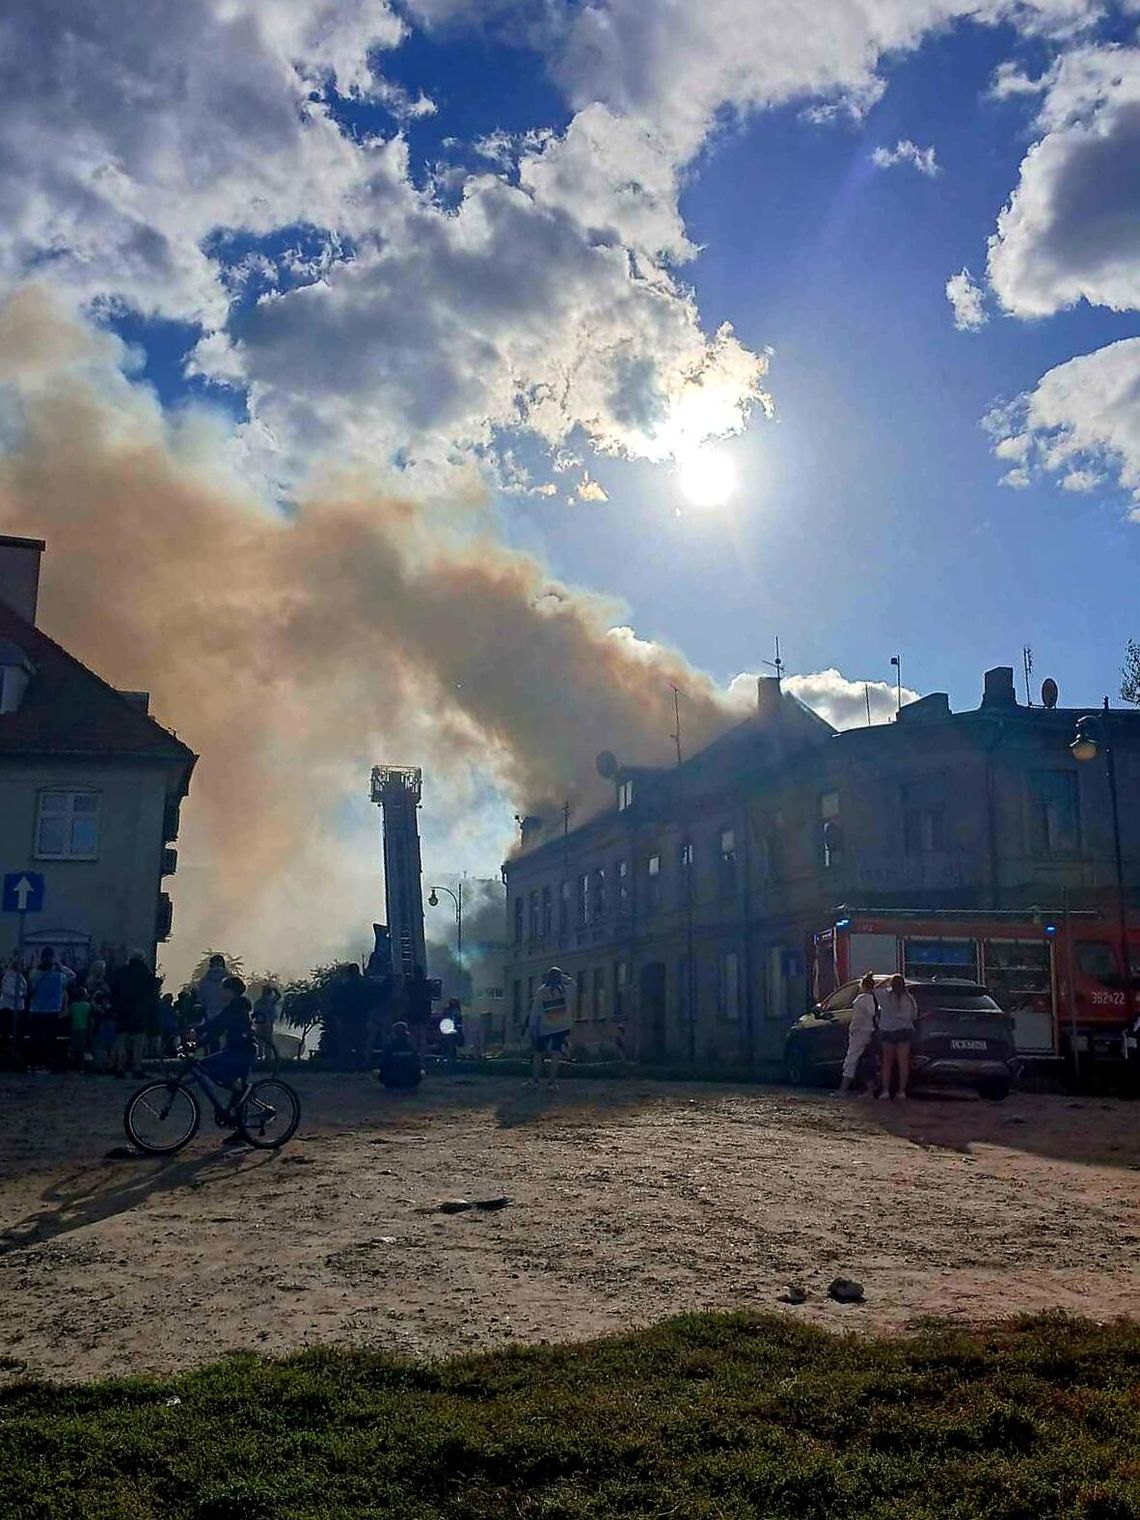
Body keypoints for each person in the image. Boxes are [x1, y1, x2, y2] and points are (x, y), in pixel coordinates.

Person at [192, 975, 257, 1144]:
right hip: (236, 1050)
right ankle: (238, 1113)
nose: (221, 992)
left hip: (242, 1052)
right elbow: (217, 1030)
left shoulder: (238, 1006)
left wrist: (197, 1032)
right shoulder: (234, 1006)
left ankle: (241, 1125)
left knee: (210, 1068)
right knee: (207, 1066)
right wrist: (198, 1043)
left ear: (231, 991)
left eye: (223, 989)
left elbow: (218, 1024)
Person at [523, 967, 575, 1089]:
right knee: (556, 1053)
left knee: (538, 1053)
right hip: (561, 1026)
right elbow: (574, 984)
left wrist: (532, 1027)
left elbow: (535, 1011)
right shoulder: (564, 990)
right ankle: (551, 1082)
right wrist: (564, 978)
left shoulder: (542, 991)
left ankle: (535, 1081)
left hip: (544, 1027)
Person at [109, 951, 158, 1077]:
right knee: (138, 1043)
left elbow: (113, 992)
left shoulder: (120, 972)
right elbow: (151, 993)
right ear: (142, 959)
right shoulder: (145, 973)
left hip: (122, 1012)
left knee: (121, 1042)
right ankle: (137, 1068)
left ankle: (120, 1068)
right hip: (138, 1012)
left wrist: (115, 1007)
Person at [27, 947, 74, 1069]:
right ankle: (49, 1064)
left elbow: (30, 985)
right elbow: (73, 976)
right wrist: (61, 966)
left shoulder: (35, 974)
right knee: (51, 1039)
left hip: (36, 1010)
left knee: (36, 1039)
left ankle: (35, 1063)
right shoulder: (59, 976)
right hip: (53, 1010)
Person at [878, 973, 918, 1100]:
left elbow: (874, 989)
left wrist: (886, 980)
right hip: (905, 1031)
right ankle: (901, 1092)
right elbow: (914, 1016)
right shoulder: (909, 998)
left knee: (887, 1062)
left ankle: (885, 1091)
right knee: (903, 1063)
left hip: (888, 1031)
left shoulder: (885, 996)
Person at [838, 973, 879, 1095]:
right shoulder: (874, 1000)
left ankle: (843, 1089)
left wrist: (852, 1029)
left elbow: (857, 1019)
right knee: (867, 1061)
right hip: (870, 1032)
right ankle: (870, 1087)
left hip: (859, 1032)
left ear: (862, 986)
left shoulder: (860, 1000)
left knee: (851, 1059)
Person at [377, 1020, 422, 1090]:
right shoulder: (411, 1046)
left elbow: (382, 1063)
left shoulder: (389, 1046)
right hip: (410, 1081)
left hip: (391, 1081)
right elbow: (417, 1064)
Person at [0, 953, 28, 1065]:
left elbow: (25, 989)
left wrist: (22, 994)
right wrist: (20, 994)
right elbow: (7, 991)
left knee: (19, 1033)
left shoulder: (21, 977)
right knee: (5, 1033)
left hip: (18, 1008)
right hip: (8, 1008)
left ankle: (17, 1053)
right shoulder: (8, 976)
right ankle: (4, 1054)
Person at [68, 981, 94, 1069]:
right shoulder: (88, 1006)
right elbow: (90, 1019)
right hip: (84, 1029)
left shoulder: (72, 1005)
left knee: (73, 1048)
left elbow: (70, 1016)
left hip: (74, 1028)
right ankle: (81, 1066)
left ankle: (71, 1065)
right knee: (82, 1049)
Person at [252, 983, 280, 1050]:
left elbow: (255, 1014)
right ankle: (265, 1057)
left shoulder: (259, 1002)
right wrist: (275, 989)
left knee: (262, 1042)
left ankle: (263, 1056)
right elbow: (278, 996)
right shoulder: (269, 1002)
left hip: (262, 1024)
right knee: (265, 1042)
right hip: (265, 1024)